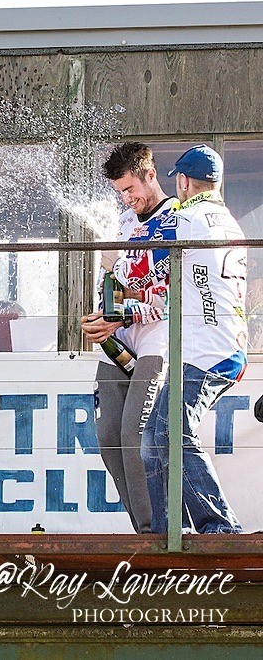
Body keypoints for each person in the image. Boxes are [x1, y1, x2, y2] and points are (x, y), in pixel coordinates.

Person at [110, 144, 245, 534]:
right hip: (223, 342)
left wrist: (114, 261)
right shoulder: (228, 220)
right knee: (156, 432)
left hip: (207, 351)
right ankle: (168, 528)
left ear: (183, 181)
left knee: (167, 431)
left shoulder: (187, 217)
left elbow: (138, 270)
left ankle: (218, 526)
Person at [80, 142, 179, 534]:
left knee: (134, 434)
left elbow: (170, 295)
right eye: (119, 192)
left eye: (130, 189)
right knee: (107, 437)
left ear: (150, 175)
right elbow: (118, 284)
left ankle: (160, 530)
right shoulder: (124, 222)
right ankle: (143, 528)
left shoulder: (179, 219)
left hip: (158, 335)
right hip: (123, 334)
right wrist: (103, 315)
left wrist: (119, 315)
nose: (126, 198)